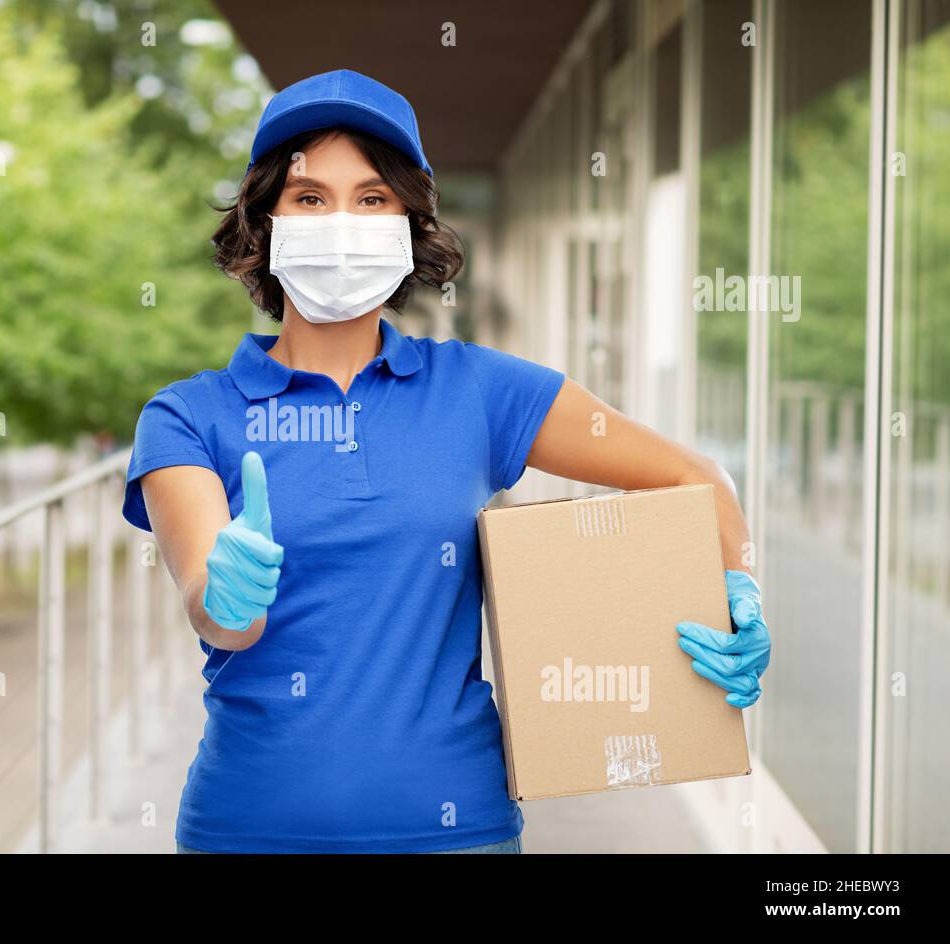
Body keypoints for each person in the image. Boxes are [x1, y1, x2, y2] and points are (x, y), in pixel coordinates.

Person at [121, 69, 771, 854]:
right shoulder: (188, 415)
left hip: (458, 831)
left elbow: (697, 478)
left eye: (371, 198)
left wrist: (739, 592)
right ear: (265, 223)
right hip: (247, 830)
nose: (341, 221)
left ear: (407, 226)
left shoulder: (482, 392)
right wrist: (229, 594)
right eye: (310, 198)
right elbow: (219, 618)